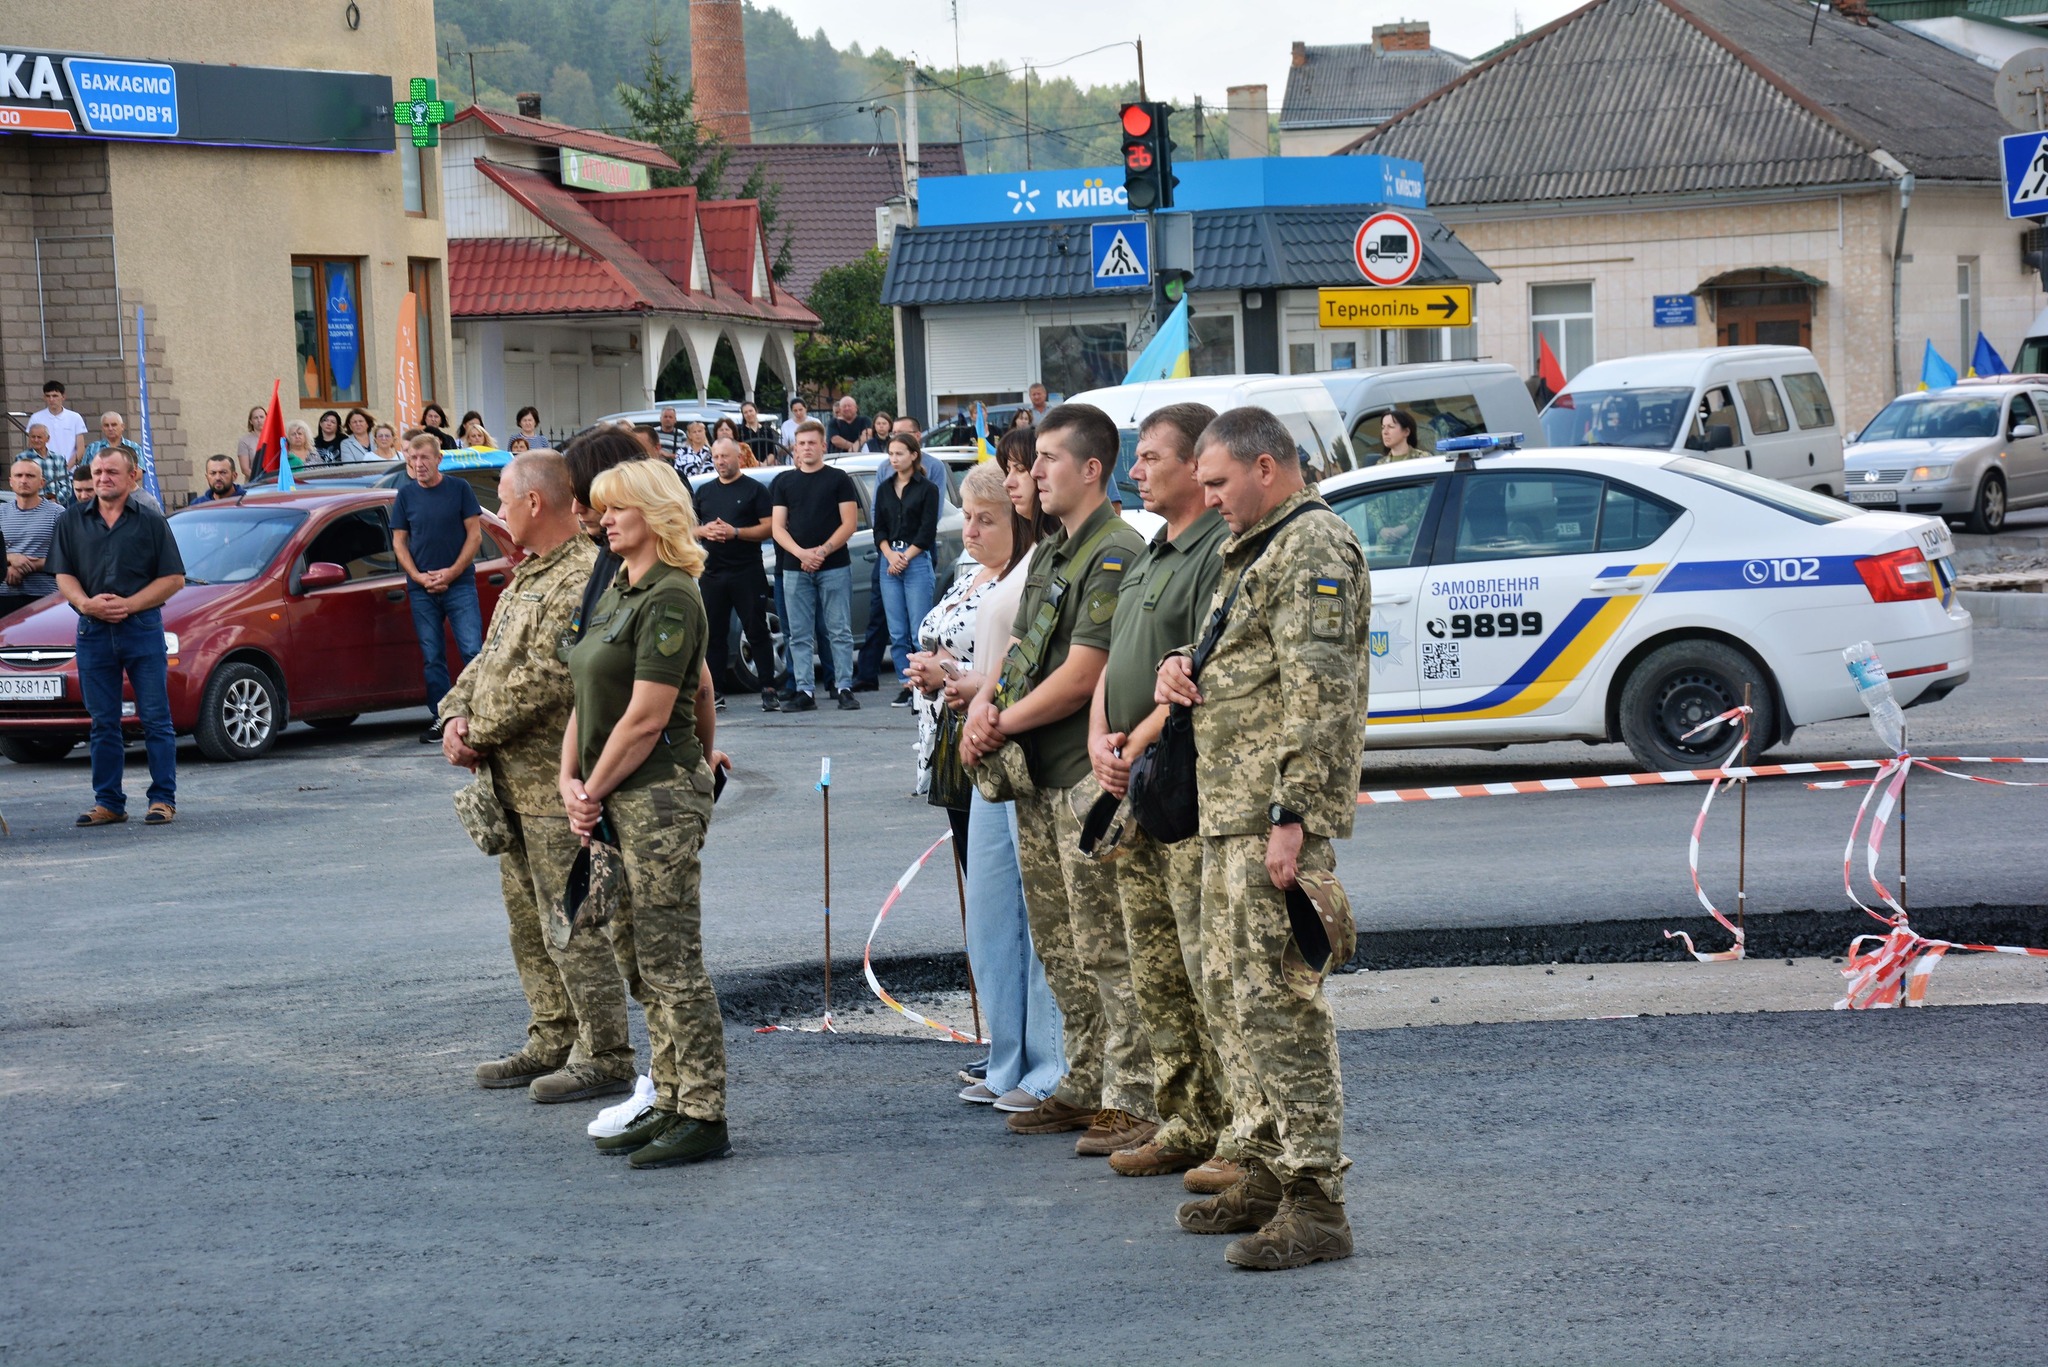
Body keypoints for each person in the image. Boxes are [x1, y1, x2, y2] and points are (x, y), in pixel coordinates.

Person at [1156, 404, 1371, 1270]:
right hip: (1227, 813)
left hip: (1267, 821)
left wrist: (1293, 818)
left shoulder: (1312, 546)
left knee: (1281, 1007)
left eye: (1217, 483)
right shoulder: (1258, 546)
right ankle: (1267, 1165)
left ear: (1267, 469)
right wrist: (1183, 665)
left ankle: (1316, 1199)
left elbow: (1319, 697)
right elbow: (1247, 660)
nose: (1208, 500)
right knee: (1234, 1001)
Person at [962, 402, 1153, 1158]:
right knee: (1060, 940)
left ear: (1090, 469)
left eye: (1045, 459)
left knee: (1107, 942)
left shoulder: (1112, 551)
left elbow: (1082, 676)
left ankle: (1130, 1094)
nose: (1032, 472)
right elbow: (1023, 655)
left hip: (1081, 777)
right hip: (1037, 778)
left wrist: (1000, 722)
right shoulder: (1052, 552)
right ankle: (1085, 1075)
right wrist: (986, 703)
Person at [439, 451, 636, 1106]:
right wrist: (454, 714)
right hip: (509, 787)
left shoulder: (583, 575)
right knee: (528, 922)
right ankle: (553, 1031)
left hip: (559, 785)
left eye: (502, 494)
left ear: (534, 503)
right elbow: (489, 661)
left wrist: (478, 727)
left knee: (571, 921)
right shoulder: (530, 575)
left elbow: (553, 675)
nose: (495, 509)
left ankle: (605, 1050)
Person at [564, 458, 731, 1169]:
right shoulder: (620, 590)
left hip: (654, 796)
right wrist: (569, 778)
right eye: (602, 508)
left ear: (657, 515)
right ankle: (667, 1094)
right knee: (635, 957)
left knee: (671, 960)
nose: (605, 520)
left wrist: (592, 788)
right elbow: (587, 693)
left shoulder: (671, 595)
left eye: (618, 508)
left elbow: (648, 715)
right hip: (613, 793)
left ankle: (702, 1109)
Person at [1083, 403, 1233, 1186]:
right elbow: (1115, 656)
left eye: (1149, 458)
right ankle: (1183, 1118)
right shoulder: (1154, 549)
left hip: (1175, 784)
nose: (1134, 471)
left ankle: (1231, 1124)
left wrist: (1133, 743)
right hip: (1129, 777)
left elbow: (1194, 670)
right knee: (1154, 969)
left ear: (1196, 469)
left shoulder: (1213, 551)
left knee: (1202, 966)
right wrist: (1099, 737)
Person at [907, 448, 1063, 1111]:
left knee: (1039, 918)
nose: (1025, 478)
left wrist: (978, 693)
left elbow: (1060, 665)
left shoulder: (1061, 555)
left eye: (1030, 467)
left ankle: (1047, 1066)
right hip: (976, 748)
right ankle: (1010, 1056)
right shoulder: (996, 568)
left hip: (1019, 744)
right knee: (995, 916)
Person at [47, 444, 185, 827]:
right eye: (98, 473)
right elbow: (63, 574)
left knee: (156, 719)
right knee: (102, 722)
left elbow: (173, 578)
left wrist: (131, 605)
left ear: (132, 477)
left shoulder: (151, 521)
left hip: (141, 629)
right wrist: (87, 605)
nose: (103, 478)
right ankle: (109, 802)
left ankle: (162, 799)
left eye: (111, 472)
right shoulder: (71, 520)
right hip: (92, 630)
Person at [391, 433, 484, 741]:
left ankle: (481, 713)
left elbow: (475, 536)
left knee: (472, 649)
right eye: (413, 459)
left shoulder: (459, 489)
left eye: (424, 458)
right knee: (432, 655)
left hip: (459, 584)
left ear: (438, 459)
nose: (419, 465)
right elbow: (399, 541)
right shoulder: (405, 496)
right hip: (421, 589)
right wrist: (417, 576)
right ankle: (441, 718)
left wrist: (452, 572)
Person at [769, 420, 859, 712]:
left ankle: (844, 687)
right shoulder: (783, 482)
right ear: (795, 447)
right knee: (798, 633)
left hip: (834, 566)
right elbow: (777, 528)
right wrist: (801, 554)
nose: (806, 448)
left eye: (811, 443)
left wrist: (821, 551)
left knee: (839, 629)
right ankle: (805, 691)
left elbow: (849, 523)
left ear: (823, 445)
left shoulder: (839, 479)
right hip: (795, 568)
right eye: (801, 443)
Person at [692, 437, 778, 712]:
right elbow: (688, 527)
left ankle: (768, 688)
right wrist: (704, 531)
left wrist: (736, 532)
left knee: (756, 629)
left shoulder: (755, 490)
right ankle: (715, 692)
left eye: (725, 457)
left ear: (738, 457)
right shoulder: (704, 491)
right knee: (713, 634)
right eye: (716, 457)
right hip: (712, 572)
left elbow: (769, 528)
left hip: (747, 571)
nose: (720, 462)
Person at [873, 429, 940, 706]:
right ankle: (906, 683)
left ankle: (924, 684)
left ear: (913, 455)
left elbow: (926, 532)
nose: (894, 459)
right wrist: (890, 556)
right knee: (897, 630)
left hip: (915, 559)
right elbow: (879, 530)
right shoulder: (884, 488)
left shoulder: (928, 489)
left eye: (899, 453)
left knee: (918, 629)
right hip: (890, 559)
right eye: (891, 454)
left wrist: (904, 558)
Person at [2, 455, 64, 618]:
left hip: (45, 598)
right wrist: (9, 560)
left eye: (30, 476)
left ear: (42, 482)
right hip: (4, 596)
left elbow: (67, 558)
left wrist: (27, 566)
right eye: (18, 475)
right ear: (11, 481)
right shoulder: (1, 513)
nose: (23, 480)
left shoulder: (57, 514)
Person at [36, 381, 90, 468]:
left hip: (70, 471)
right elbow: (32, 445)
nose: (51, 399)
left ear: (63, 397)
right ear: (44, 397)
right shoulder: (36, 418)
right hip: (44, 470)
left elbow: (80, 448)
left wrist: (67, 468)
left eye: (55, 396)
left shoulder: (75, 417)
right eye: (48, 396)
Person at [21, 423, 71, 507]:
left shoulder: (58, 458)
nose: (36, 440)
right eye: (33, 437)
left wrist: (56, 500)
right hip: (32, 505)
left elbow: (66, 486)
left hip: (56, 505)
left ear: (47, 439)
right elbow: (20, 485)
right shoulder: (22, 458)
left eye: (39, 437)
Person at [235, 404, 267, 478]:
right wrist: (261, 480)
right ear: (251, 421)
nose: (259, 420)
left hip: (275, 484)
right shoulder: (244, 441)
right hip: (255, 483)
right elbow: (245, 469)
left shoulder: (274, 438)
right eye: (256, 418)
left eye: (262, 417)